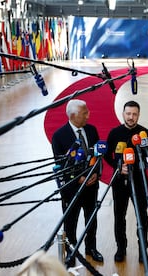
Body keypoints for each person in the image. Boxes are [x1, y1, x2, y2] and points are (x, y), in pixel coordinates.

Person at [51, 99, 103, 267]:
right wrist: (78, 179)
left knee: (91, 220)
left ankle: (91, 248)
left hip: (91, 186)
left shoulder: (92, 130)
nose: (89, 115)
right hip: (72, 189)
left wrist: (95, 174)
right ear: (73, 115)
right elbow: (60, 166)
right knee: (70, 223)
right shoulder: (59, 136)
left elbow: (98, 156)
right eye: (84, 113)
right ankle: (71, 253)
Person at [104, 100, 148, 263]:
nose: (131, 117)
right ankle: (121, 248)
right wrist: (118, 167)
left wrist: (139, 163)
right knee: (119, 216)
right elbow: (107, 155)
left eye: (134, 114)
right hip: (119, 182)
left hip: (140, 181)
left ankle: (143, 249)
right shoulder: (114, 133)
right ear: (123, 114)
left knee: (142, 216)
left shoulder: (145, 134)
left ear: (138, 115)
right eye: (128, 113)